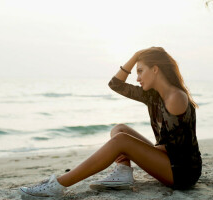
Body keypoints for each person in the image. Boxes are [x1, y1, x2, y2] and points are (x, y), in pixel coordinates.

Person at [19, 47, 202, 198]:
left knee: (121, 140)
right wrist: (136, 56)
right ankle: (123, 173)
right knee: (120, 129)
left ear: (155, 69)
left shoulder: (175, 97)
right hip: (170, 161)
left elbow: (178, 150)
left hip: (182, 172)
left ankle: (58, 184)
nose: (137, 78)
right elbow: (115, 84)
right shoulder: (152, 95)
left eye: (140, 71)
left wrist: (130, 149)